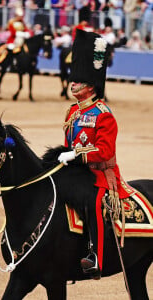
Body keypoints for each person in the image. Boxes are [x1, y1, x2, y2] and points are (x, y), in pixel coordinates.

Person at [57, 29, 131, 279]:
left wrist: (76, 155)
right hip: (76, 171)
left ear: (91, 86)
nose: (73, 83)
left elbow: (105, 151)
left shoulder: (103, 114)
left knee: (90, 201)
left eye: (78, 80)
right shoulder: (72, 112)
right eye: (73, 79)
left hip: (100, 175)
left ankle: (95, 256)